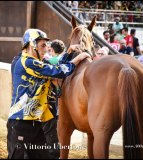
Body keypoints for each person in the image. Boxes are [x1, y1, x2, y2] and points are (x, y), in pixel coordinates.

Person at [7, 28, 88, 159]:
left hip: (35, 122)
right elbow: (57, 71)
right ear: (32, 45)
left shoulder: (35, 61)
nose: (46, 49)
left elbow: (53, 67)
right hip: (21, 122)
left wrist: (68, 53)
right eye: (43, 45)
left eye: (46, 45)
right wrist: (77, 59)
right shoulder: (26, 62)